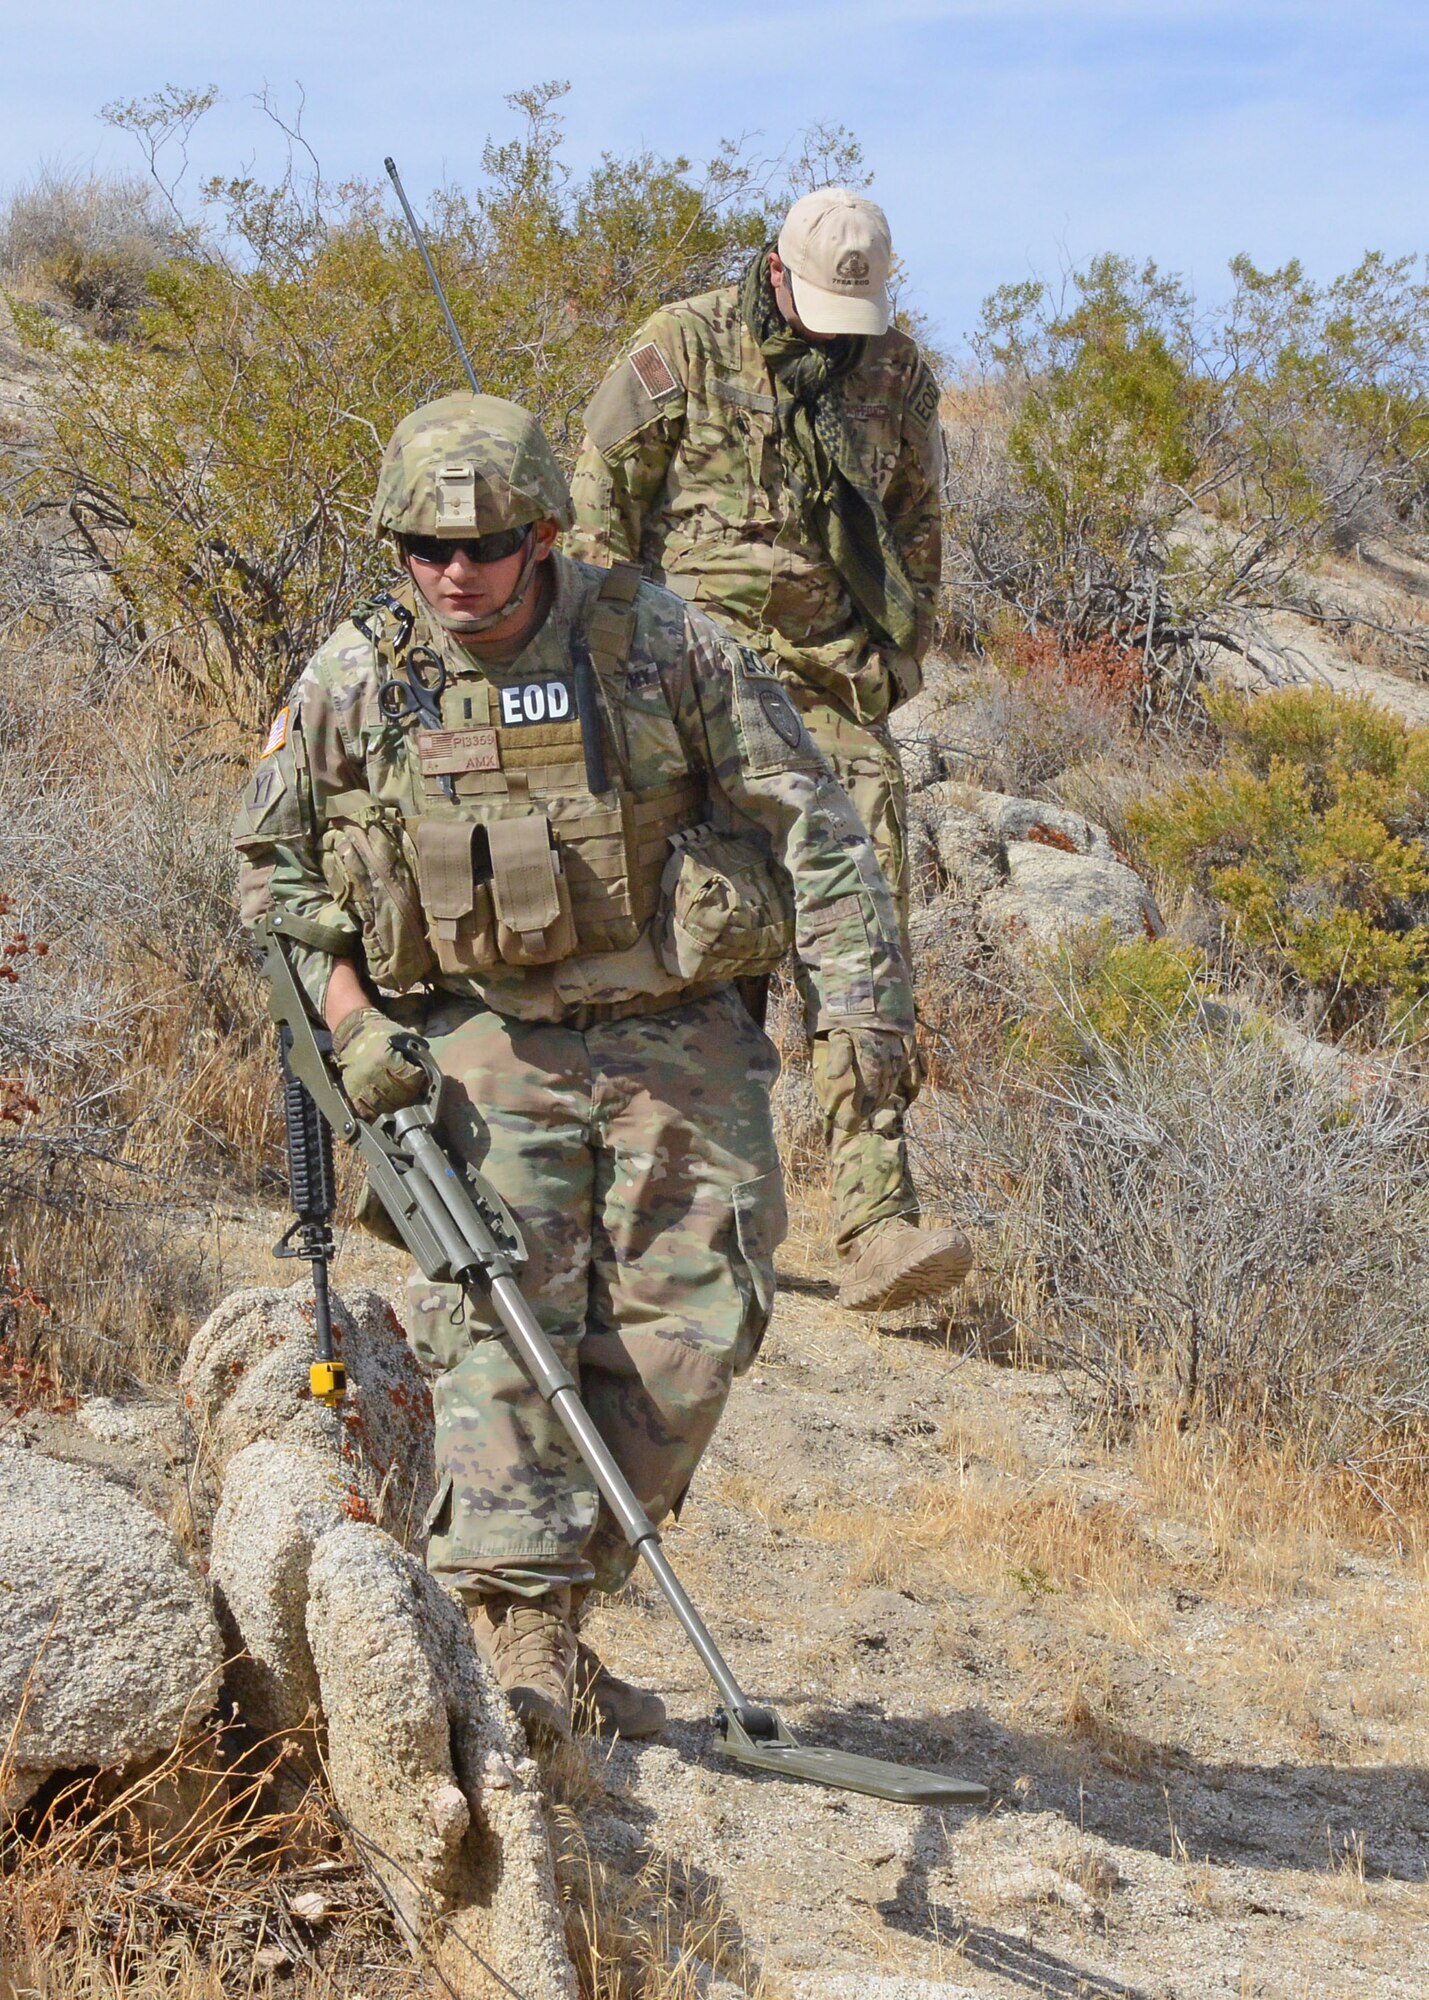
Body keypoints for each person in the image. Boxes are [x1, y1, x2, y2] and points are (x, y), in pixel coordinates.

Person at [234, 393, 919, 1745]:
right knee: (502, 1311)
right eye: (426, 546)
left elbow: (817, 829)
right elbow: (272, 868)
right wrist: (353, 1021)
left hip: (675, 1026)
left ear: (544, 529)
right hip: (477, 1029)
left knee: (697, 1321)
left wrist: (860, 1011)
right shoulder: (356, 678)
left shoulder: (659, 642)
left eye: (487, 541)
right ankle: (519, 1632)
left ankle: (560, 1600)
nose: (456, 572)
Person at [568, 188, 970, 1315]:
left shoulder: (895, 374)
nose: (844, 333)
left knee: (865, 931)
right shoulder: (679, 345)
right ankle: (708, 1212)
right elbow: (599, 510)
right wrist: (618, 682)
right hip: (693, 684)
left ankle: (877, 1217)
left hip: (836, 685)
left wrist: (895, 662)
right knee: (708, 935)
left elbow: (921, 523)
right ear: (777, 270)